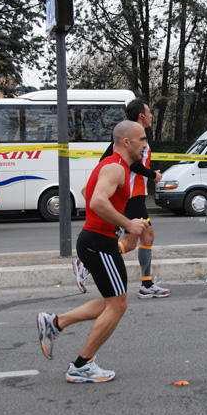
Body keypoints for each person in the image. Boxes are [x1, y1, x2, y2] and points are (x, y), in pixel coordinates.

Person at [37, 120, 149, 383]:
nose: (145, 144)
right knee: (118, 305)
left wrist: (114, 220)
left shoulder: (109, 165)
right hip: (98, 242)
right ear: (126, 142)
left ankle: (56, 323)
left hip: (98, 240)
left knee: (113, 302)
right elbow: (97, 200)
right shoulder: (116, 168)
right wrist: (127, 223)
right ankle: (81, 365)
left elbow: (89, 192)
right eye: (142, 139)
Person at [73, 98, 171, 299]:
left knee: (131, 242)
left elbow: (107, 163)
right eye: (149, 112)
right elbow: (115, 164)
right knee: (147, 236)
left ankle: (91, 262)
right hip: (131, 196)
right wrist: (153, 175)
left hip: (135, 195)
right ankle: (145, 284)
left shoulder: (136, 137)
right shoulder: (129, 139)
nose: (152, 115)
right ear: (141, 116)